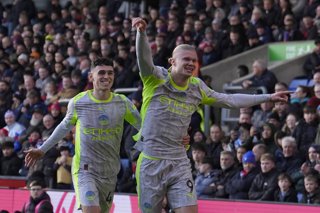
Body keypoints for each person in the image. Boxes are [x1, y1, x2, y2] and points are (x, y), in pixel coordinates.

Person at [132, 17, 289, 213]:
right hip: (151, 161)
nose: (191, 63)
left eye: (193, 60)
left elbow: (230, 100)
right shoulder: (155, 78)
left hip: (179, 160)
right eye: (186, 59)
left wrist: (268, 97)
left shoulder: (197, 87)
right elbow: (144, 59)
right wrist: (141, 33)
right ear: (172, 61)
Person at [24, 58, 141, 213]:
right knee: (91, 209)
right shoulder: (79, 102)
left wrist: (175, 140)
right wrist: (42, 149)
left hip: (110, 170)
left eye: (110, 73)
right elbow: (63, 127)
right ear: (91, 77)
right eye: (101, 73)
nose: (106, 76)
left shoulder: (123, 103)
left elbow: (144, 127)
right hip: (85, 168)